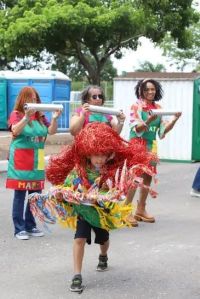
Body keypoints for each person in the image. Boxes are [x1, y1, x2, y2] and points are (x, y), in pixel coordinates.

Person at [29, 122, 156, 293]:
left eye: (103, 155)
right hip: (83, 211)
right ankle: (77, 275)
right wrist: (61, 194)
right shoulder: (78, 170)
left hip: (102, 214)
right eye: (95, 154)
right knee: (79, 239)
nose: (99, 159)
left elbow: (117, 192)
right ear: (87, 153)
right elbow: (67, 188)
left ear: (110, 155)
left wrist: (106, 196)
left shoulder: (111, 173)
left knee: (103, 239)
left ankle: (103, 255)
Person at [6, 86, 62, 240]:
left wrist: (56, 118)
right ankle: (19, 228)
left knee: (35, 195)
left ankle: (31, 225)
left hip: (37, 158)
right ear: (23, 100)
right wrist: (26, 117)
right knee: (20, 195)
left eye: (36, 98)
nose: (34, 101)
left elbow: (51, 131)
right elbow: (15, 130)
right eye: (30, 98)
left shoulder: (40, 117)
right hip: (21, 160)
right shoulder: (16, 114)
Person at [125, 78, 182, 225]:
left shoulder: (158, 107)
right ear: (141, 91)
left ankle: (141, 209)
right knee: (135, 178)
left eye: (153, 89)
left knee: (148, 177)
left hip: (151, 146)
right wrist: (149, 120)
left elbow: (162, 132)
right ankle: (125, 211)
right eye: (147, 89)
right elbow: (136, 129)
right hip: (137, 145)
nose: (150, 92)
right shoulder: (136, 106)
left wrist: (174, 120)